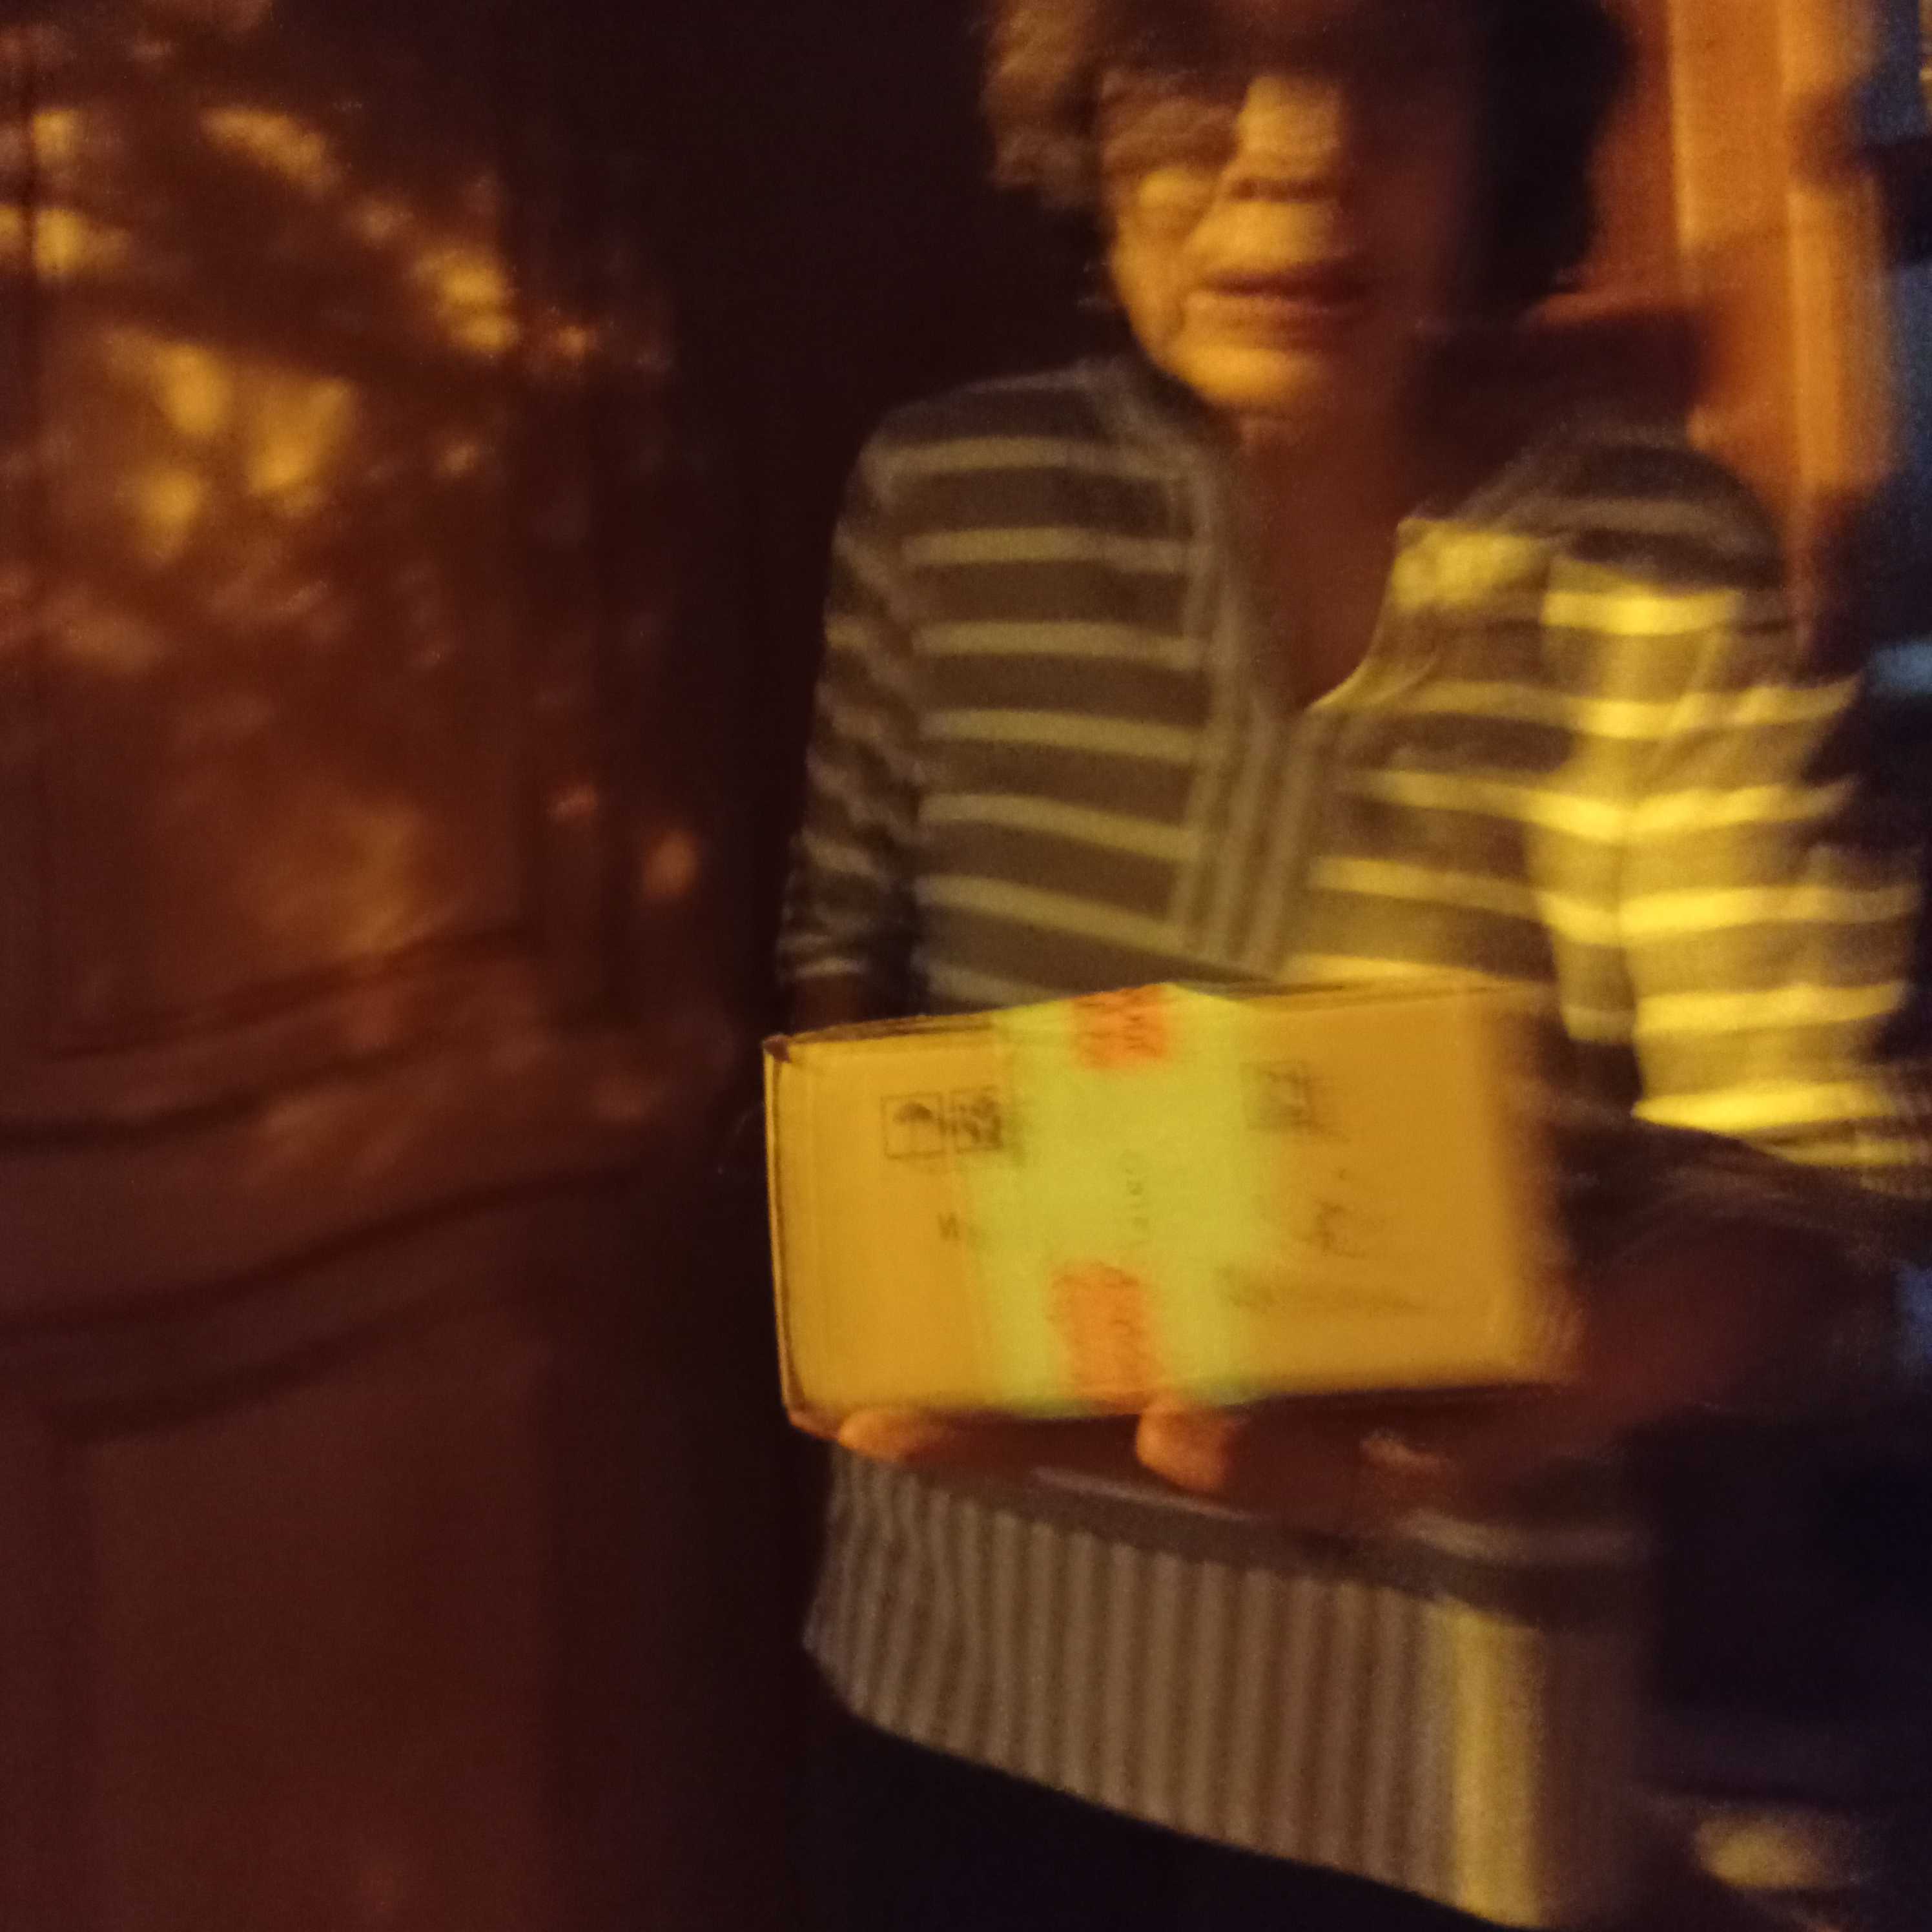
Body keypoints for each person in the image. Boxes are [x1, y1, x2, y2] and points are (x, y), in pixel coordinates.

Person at [776, 0, 1931, 1924]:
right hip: (958, 1676)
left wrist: (1470, 1428)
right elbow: (843, 973)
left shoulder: (1648, 551)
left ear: (1506, 118)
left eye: (1397, 59)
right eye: (1190, 61)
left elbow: (1801, 1183)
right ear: (1082, 119)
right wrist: (860, 1283)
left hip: (1425, 1767)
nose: (1300, 150)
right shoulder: (948, 500)